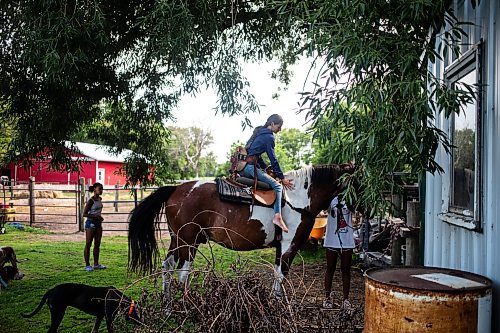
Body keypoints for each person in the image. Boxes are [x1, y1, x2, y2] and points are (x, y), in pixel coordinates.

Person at [241, 114, 294, 232]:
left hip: (243, 167)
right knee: (278, 186)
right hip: (250, 168)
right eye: (279, 127)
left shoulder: (258, 132)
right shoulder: (269, 137)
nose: (279, 130)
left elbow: (254, 154)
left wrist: (265, 168)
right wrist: (282, 177)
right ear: (272, 124)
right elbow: (273, 159)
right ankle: (277, 217)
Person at [323, 196, 355, 310]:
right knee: (330, 268)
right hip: (332, 239)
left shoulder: (351, 198)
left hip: (346, 240)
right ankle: (327, 298)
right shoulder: (331, 198)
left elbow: (357, 208)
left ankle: (346, 299)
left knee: (346, 270)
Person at [83, 182, 106, 272]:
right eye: (99, 189)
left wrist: (98, 217)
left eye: (102, 189)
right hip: (91, 224)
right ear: (95, 189)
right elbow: (84, 214)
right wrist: (95, 216)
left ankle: (96, 264)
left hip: (98, 224)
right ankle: (87, 265)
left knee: (97, 244)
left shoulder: (100, 199)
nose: (101, 190)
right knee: (88, 244)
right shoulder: (91, 200)